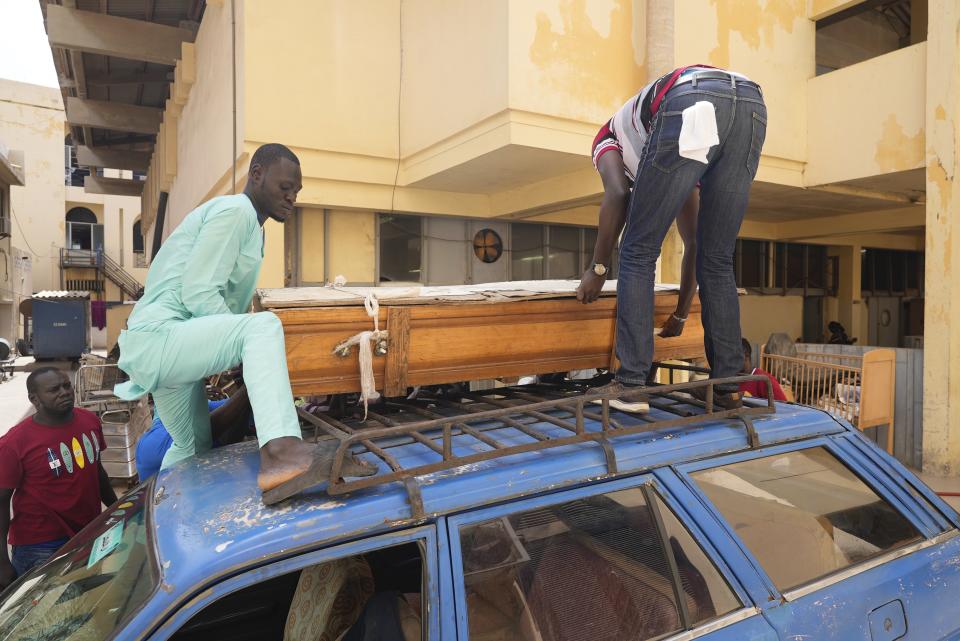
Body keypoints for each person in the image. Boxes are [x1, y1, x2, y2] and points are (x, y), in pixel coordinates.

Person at [114, 144, 374, 504]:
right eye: (285, 187)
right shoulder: (235, 211)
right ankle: (281, 453)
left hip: (165, 347)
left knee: (192, 444)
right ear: (256, 175)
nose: (292, 197)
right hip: (163, 336)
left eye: (296, 191)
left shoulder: (253, 227)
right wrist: (240, 349)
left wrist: (233, 345)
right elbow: (199, 291)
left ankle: (167, 510)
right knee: (262, 327)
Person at [577, 65, 766, 410]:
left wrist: (598, 269)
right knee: (717, 258)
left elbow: (618, 194)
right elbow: (694, 242)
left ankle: (631, 383)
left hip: (691, 98)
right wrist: (679, 313)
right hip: (751, 104)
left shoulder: (607, 137)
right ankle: (727, 388)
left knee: (637, 249)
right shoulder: (685, 156)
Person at [0, 368, 118, 588]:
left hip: (89, 533)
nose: (64, 392)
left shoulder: (89, 421)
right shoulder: (14, 444)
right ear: (34, 399)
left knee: (84, 604)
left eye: (67, 386)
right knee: (47, 617)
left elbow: (97, 471)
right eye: (54, 389)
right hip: (40, 546)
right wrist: (1, 562)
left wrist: (118, 509)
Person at [136, 386, 253, 481]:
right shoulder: (150, 445)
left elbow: (239, 411)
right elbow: (200, 435)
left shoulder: (200, 408)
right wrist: (248, 386)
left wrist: (248, 395)